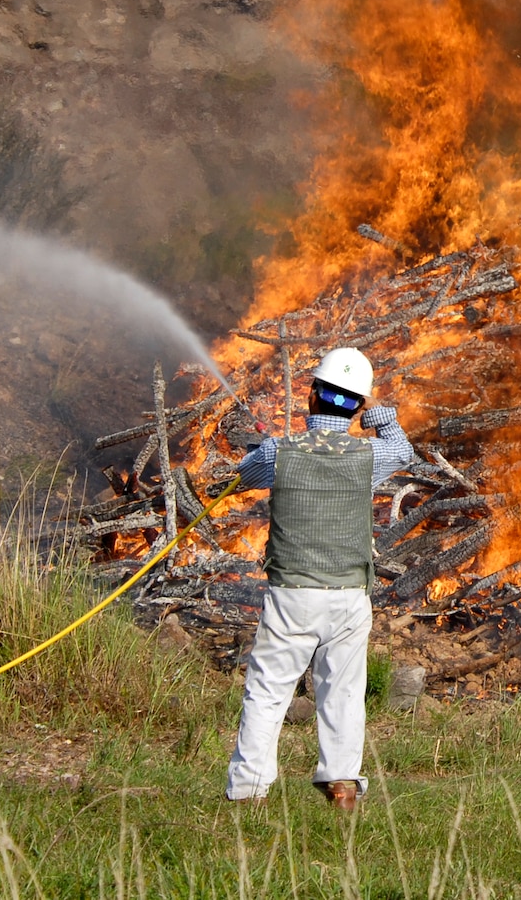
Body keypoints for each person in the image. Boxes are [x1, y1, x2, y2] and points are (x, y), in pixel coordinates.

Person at [223, 346, 418, 809]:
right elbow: (403, 449)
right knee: (344, 695)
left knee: (268, 691)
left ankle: (249, 792)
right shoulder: (369, 456)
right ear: (357, 406)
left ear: (311, 395)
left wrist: (273, 453)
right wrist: (376, 414)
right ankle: (343, 788)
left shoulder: (277, 451)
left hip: (292, 594)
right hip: (350, 594)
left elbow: (244, 474)